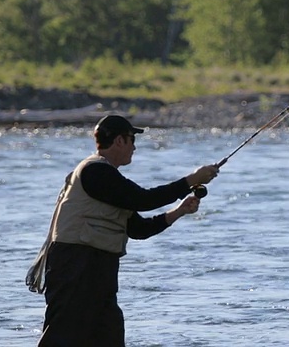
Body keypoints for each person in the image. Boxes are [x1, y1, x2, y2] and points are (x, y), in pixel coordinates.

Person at [26, 114, 219, 346]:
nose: (134, 147)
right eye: (131, 140)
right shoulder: (95, 171)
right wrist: (190, 180)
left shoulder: (110, 180)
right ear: (119, 141)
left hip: (99, 269)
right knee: (63, 336)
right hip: (75, 266)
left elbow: (138, 229)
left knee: (109, 335)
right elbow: (143, 199)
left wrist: (178, 211)